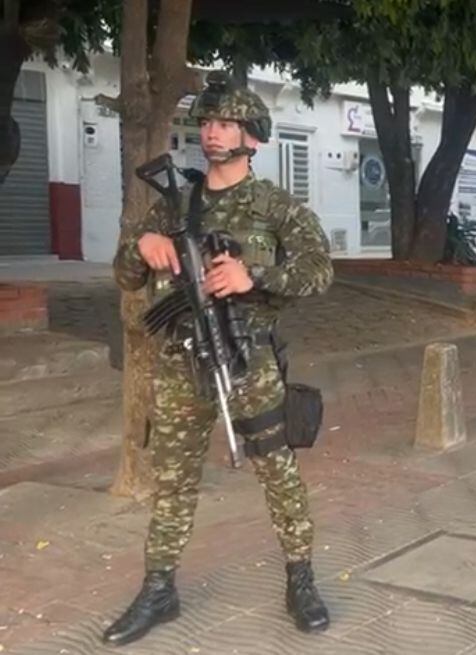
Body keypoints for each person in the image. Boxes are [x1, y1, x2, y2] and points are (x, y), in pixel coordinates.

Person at [103, 70, 333, 646]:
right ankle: (159, 588)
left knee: (277, 471)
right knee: (173, 477)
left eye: (226, 123)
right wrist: (142, 246)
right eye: (206, 122)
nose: (212, 132)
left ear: (252, 136)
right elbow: (125, 275)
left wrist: (253, 275)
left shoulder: (276, 207)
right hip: (181, 364)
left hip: (246, 361)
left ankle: (300, 578)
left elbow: (319, 271)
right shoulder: (175, 203)